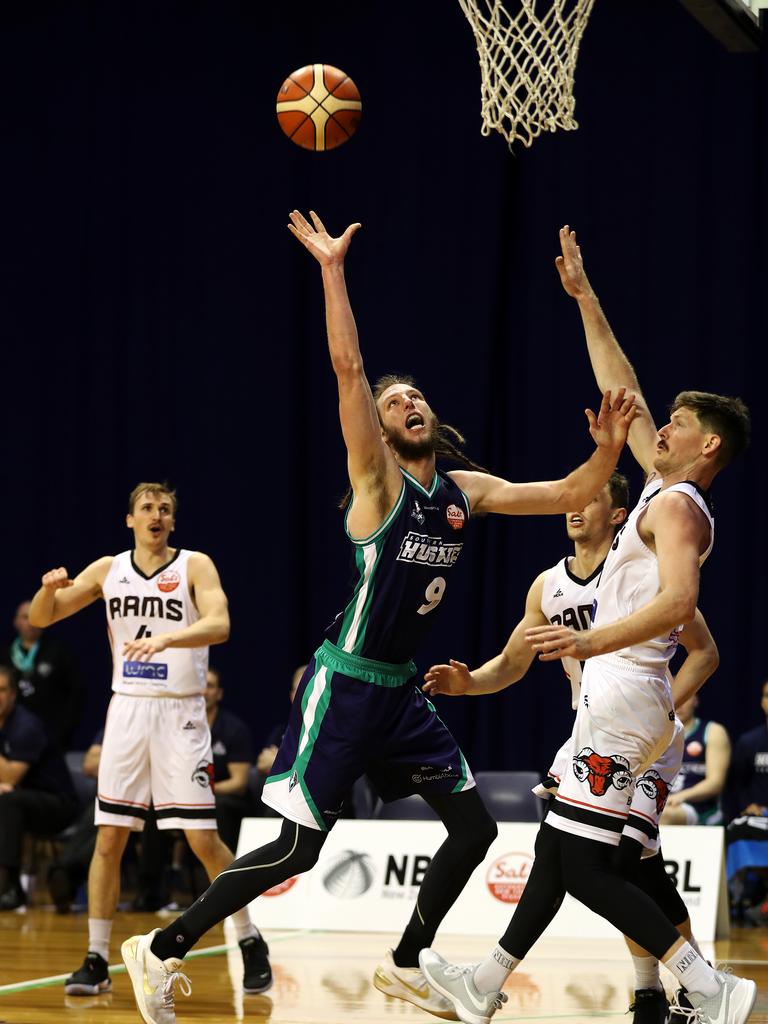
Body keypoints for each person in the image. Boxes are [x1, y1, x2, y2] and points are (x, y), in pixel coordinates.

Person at [119, 209, 638, 1024]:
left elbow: (568, 495)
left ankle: (405, 961)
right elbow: (347, 367)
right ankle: (162, 946)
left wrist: (608, 453)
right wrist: (332, 269)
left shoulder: (463, 493)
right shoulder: (377, 483)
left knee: (471, 832)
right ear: (384, 429)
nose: (407, 402)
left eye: (417, 395)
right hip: (347, 685)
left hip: (401, 694)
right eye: (396, 401)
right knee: (299, 845)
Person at [419, 225, 754, 1024]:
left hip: (625, 690)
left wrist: (588, 640)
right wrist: (584, 297)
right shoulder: (660, 491)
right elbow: (624, 383)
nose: (656, 429)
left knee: (582, 868)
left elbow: (678, 608)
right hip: (617, 695)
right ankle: (487, 981)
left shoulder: (676, 506)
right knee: (559, 852)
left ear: (705, 444)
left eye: (672, 424)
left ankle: (707, 987)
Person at [28, 481, 271, 997]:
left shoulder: (195, 565)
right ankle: (95, 959)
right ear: (130, 520)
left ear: (173, 523)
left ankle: (249, 939)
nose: (156, 514)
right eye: (147, 508)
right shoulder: (107, 569)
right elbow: (41, 617)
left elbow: (221, 624)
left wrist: (167, 637)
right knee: (110, 837)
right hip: (128, 711)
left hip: (181, 712)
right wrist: (48, 590)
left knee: (203, 839)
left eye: (165, 509)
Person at [0, 665, 79, 909]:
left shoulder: (26, 725)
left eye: (1, 690)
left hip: (57, 804)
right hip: (20, 800)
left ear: (13, 694)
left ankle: (10, 886)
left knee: (9, 802)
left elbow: (11, 776)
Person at [2, 599, 84, 750]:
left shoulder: (59, 652)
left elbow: (76, 692)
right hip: (11, 731)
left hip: (51, 733)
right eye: (25, 617)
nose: (31, 622)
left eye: (34, 616)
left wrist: (64, 728)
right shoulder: (4, 654)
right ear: (15, 622)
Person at [723, 679, 768, 924]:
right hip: (758, 817)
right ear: (762, 702)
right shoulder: (750, 742)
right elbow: (736, 786)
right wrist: (748, 805)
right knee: (738, 829)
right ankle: (737, 899)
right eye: (767, 696)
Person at [47, 730, 103, 912]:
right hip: (109, 796)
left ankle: (65, 870)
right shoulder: (117, 718)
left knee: (111, 834)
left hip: (150, 801)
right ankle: (64, 870)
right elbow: (89, 765)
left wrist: (113, 758)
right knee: (91, 823)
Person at [661, 694, 730, 826]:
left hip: (697, 808)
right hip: (659, 801)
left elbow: (715, 783)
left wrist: (680, 796)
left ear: (696, 700)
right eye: (674, 697)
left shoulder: (712, 731)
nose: (679, 704)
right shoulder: (655, 734)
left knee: (664, 816)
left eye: (685, 698)